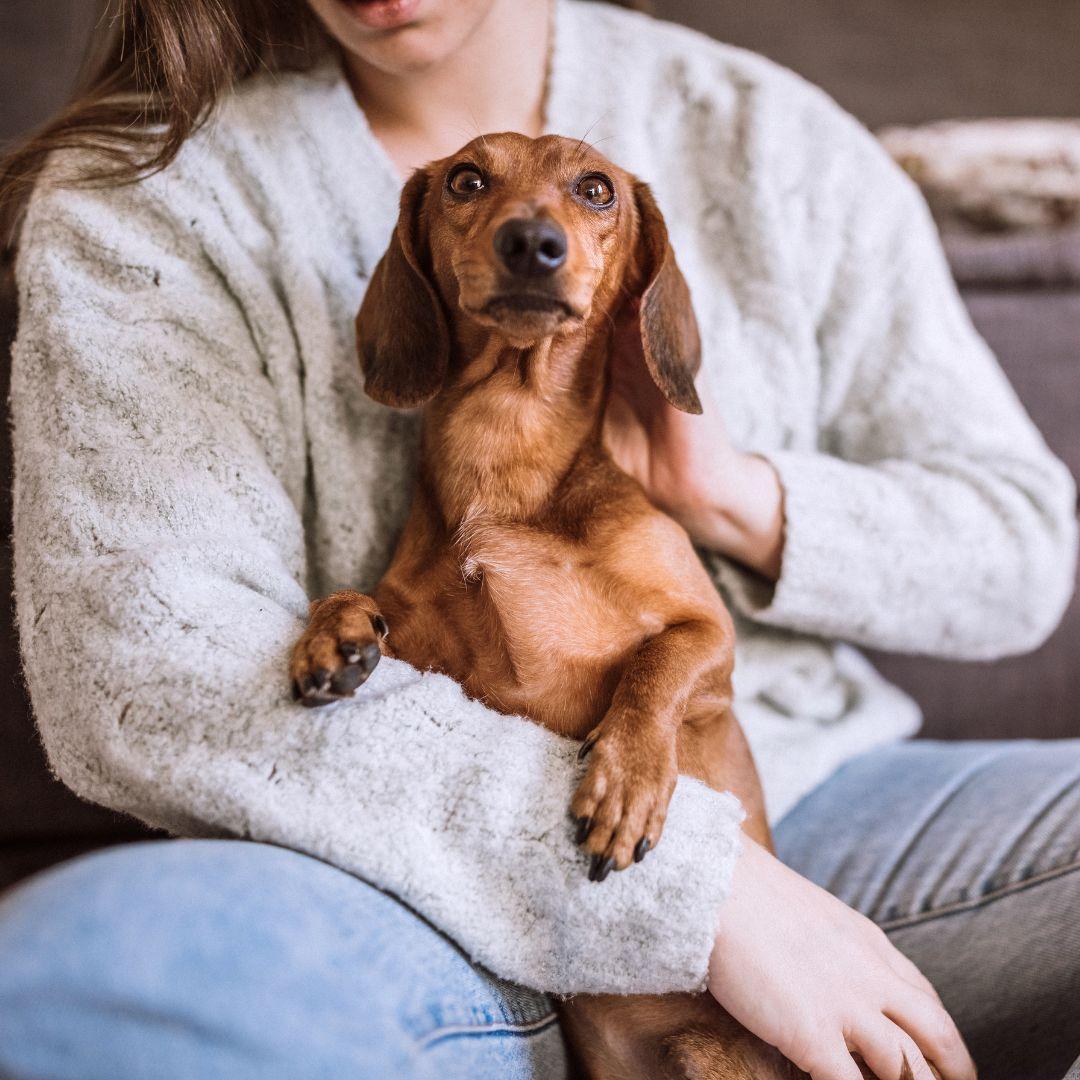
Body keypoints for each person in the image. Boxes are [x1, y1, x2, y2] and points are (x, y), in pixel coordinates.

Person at [0, 1, 1076, 1077]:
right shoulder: (142, 192)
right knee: (101, 967)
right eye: (476, 192)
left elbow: (1024, 544)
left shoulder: (772, 133)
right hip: (397, 862)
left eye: (579, 203)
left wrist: (733, 497)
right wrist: (708, 894)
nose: (532, 227)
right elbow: (148, 667)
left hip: (821, 809)